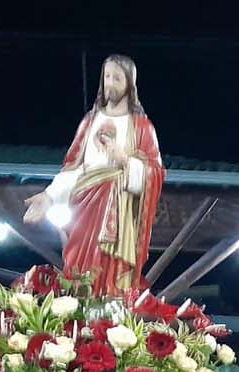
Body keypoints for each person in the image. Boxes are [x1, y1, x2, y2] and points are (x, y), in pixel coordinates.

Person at [23, 54, 164, 295]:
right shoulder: (90, 122)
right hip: (85, 205)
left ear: (130, 83)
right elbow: (73, 168)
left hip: (119, 214)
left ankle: (110, 303)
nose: (110, 83)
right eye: (107, 76)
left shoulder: (142, 127)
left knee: (109, 274)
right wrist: (48, 196)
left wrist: (125, 161)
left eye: (117, 78)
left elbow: (155, 173)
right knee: (79, 263)